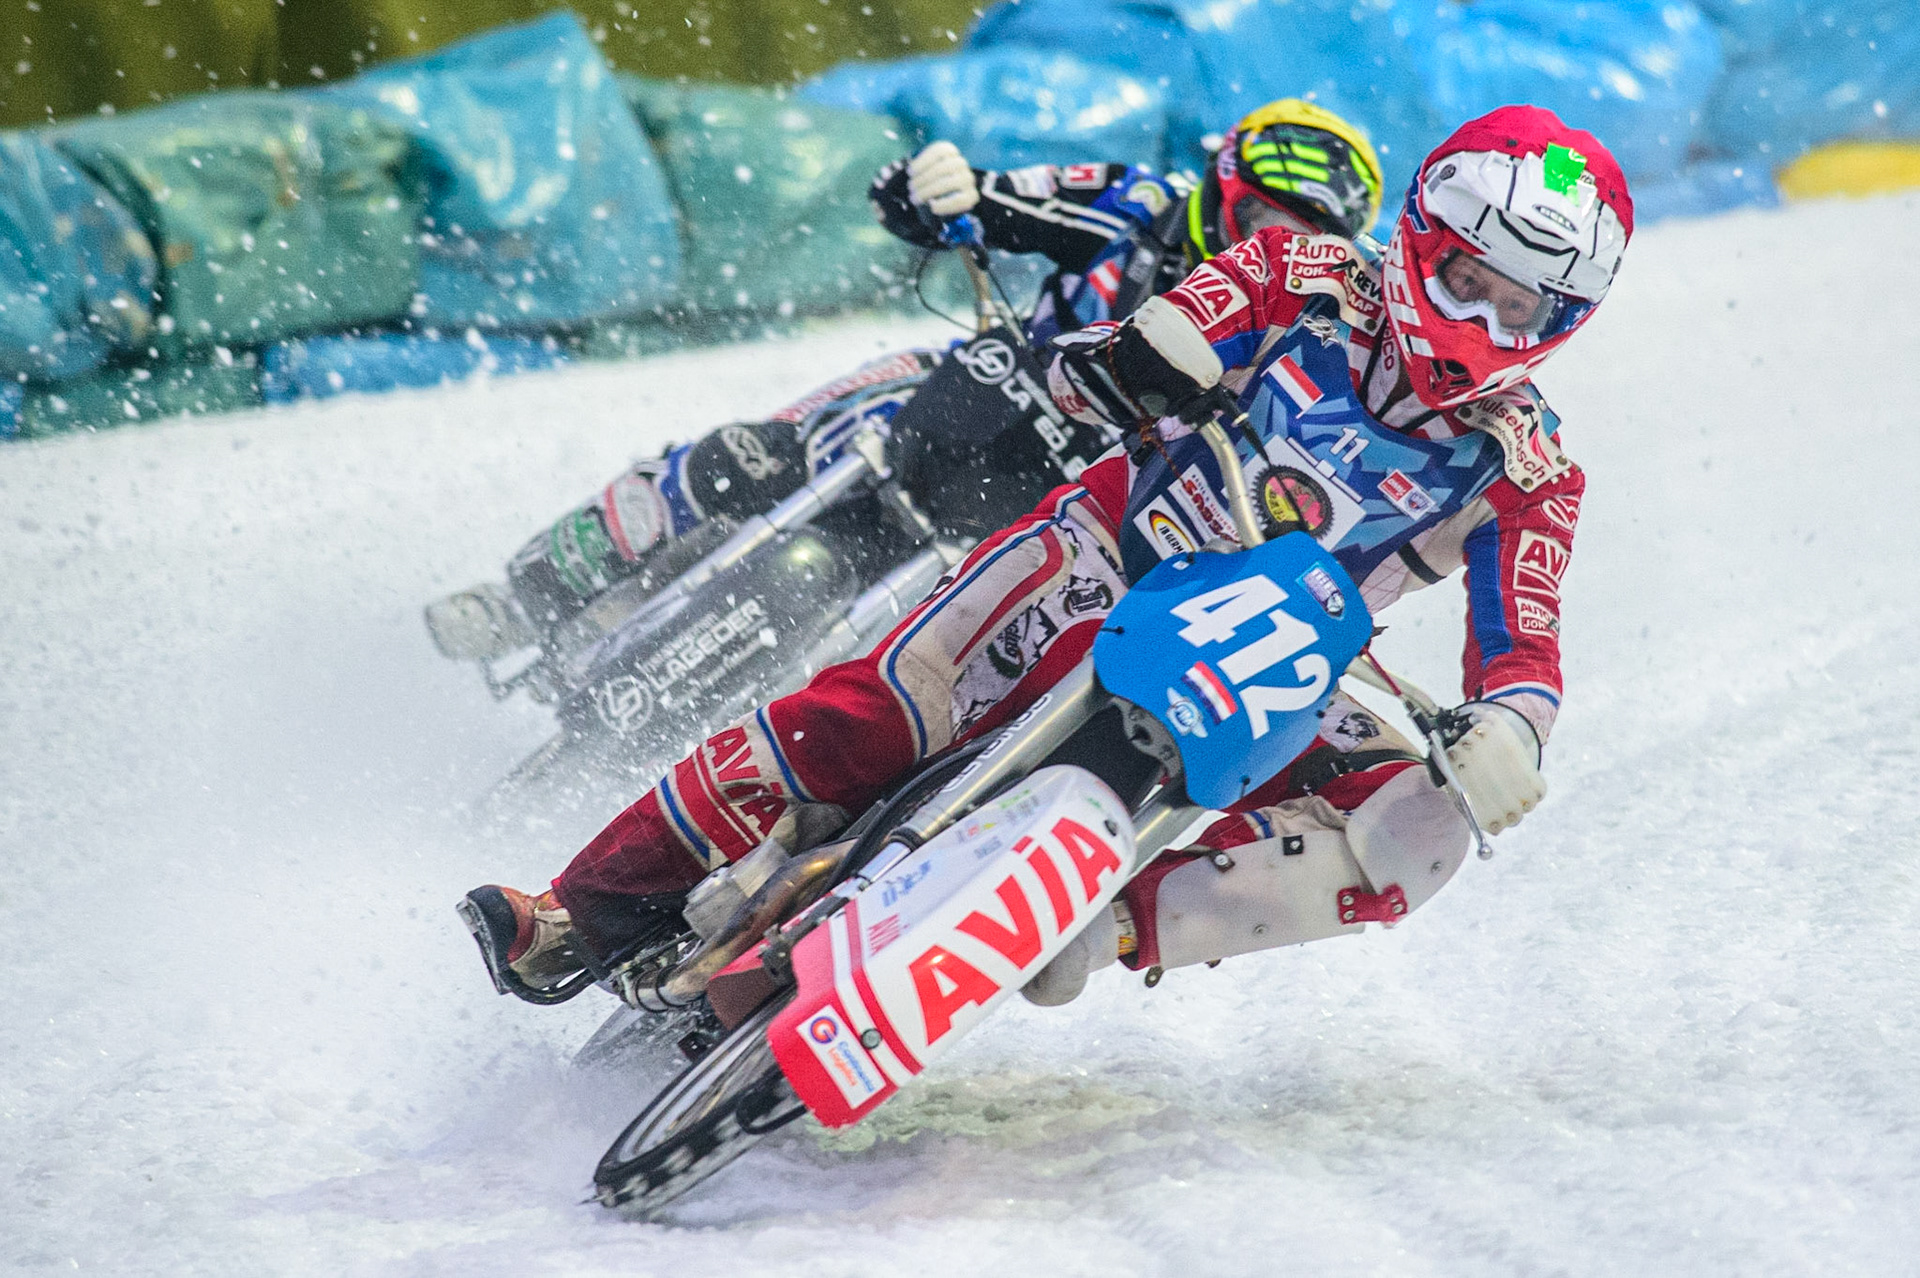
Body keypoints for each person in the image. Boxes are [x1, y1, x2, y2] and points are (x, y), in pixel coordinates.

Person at [460, 104, 1621, 1007]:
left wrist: (1512, 731)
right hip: (1097, 548)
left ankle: (1102, 926)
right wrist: (1149, 354)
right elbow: (1170, 319)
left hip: (1272, 670)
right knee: (862, 705)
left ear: (1565, 322)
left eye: (1522, 308)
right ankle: (576, 906)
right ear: (1420, 238)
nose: (1480, 323)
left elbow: (1525, 638)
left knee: (1418, 828)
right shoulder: (1296, 273)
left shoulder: (1532, 469)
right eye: (1468, 279)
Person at [425, 101, 1384, 661]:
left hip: (1081, 496)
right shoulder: (1141, 206)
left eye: (1306, 235)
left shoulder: (1306, 333)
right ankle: (530, 595)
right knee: (752, 452)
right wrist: (937, 191)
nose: (1274, 246)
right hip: (976, 389)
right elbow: (995, 198)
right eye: (1263, 214)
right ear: (1223, 187)